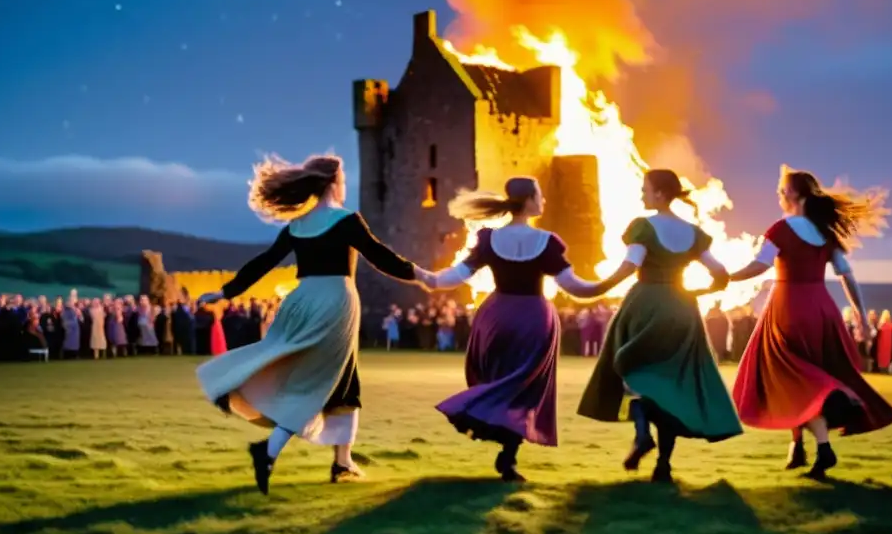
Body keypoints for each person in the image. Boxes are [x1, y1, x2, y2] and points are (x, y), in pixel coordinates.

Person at [196, 153, 429, 494]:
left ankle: (343, 461)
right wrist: (422, 276)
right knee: (319, 382)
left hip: (302, 299)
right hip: (336, 300)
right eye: (344, 178)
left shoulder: (299, 224)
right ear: (334, 182)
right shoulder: (346, 219)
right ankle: (269, 452)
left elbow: (264, 262)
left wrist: (226, 291)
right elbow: (380, 256)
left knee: (339, 379)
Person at [417, 177, 607, 481]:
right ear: (530, 200)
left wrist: (428, 278)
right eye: (540, 195)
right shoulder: (546, 242)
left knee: (500, 380)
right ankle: (508, 455)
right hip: (533, 317)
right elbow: (576, 288)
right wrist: (614, 281)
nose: (543, 200)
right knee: (524, 386)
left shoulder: (489, 239)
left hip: (496, 317)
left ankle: (493, 433)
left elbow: (454, 276)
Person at [728, 165, 892, 479]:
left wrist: (726, 277)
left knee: (793, 376)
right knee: (799, 374)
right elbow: (847, 275)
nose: (779, 195)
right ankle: (798, 445)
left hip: (788, 309)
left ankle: (824, 439)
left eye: (781, 190)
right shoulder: (825, 233)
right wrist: (861, 316)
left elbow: (760, 265)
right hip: (822, 309)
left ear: (793, 194)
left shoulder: (781, 229)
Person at [576, 169, 742, 483]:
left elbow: (630, 265)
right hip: (682, 308)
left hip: (646, 303)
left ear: (661, 194)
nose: (642, 195)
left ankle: (642, 433)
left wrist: (597, 287)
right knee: (671, 385)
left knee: (629, 369)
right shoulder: (693, 232)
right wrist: (700, 292)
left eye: (646, 189)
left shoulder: (643, 227)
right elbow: (720, 273)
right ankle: (663, 465)